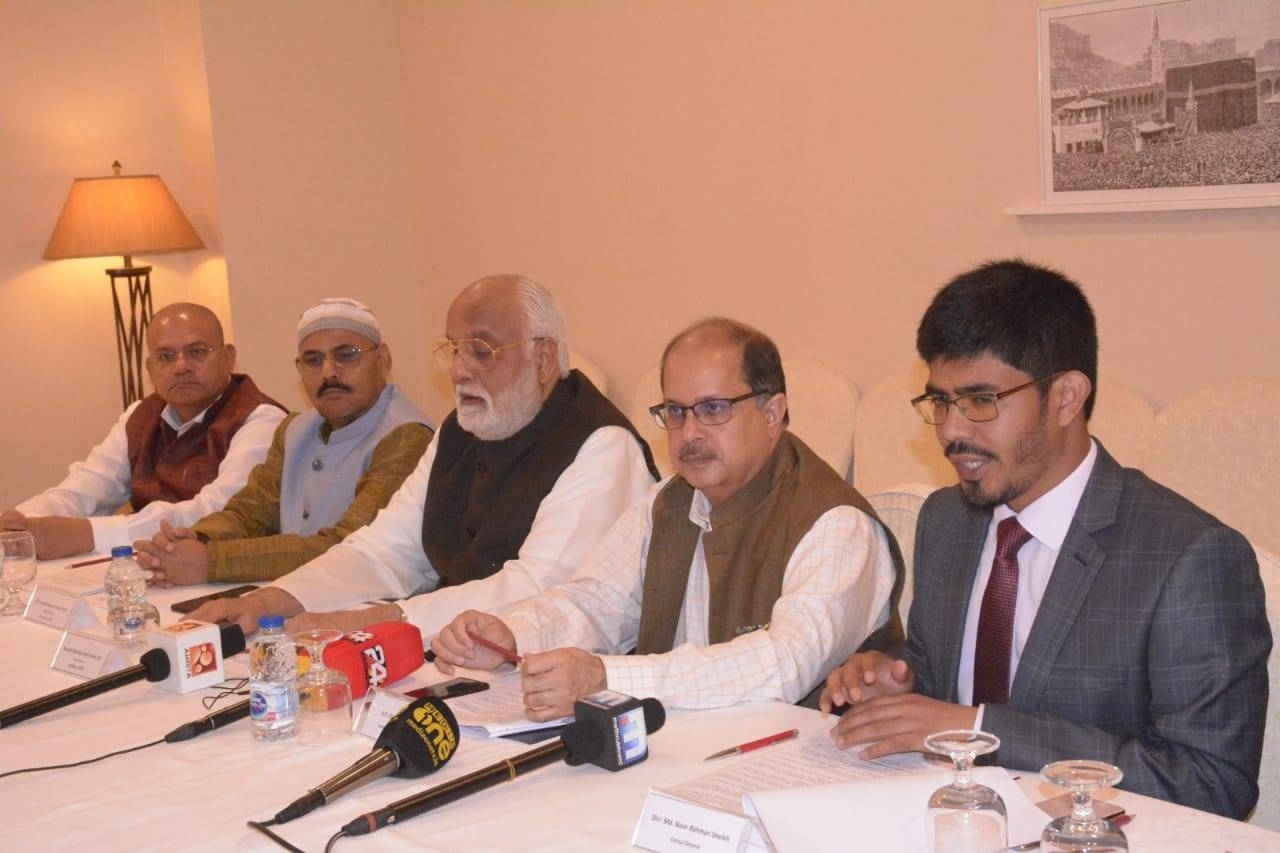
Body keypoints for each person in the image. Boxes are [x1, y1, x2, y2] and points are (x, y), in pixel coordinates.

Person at [820, 259, 1269, 820]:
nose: (954, 431)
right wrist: (892, 687)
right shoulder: (947, 520)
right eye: (940, 402)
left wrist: (981, 729)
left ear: (1066, 397)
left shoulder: (1188, 556)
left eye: (981, 401)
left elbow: (1213, 783)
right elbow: (936, 685)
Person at [431, 318, 903, 717]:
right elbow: (594, 604)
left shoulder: (835, 524)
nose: (689, 433)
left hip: (792, 775)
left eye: (713, 409)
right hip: (681, 753)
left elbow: (782, 665)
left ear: (772, 412)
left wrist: (605, 675)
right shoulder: (668, 502)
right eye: (675, 411)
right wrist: (511, 632)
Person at [191, 274, 658, 637]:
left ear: (542, 359)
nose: (458, 370)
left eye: (481, 350)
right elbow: (384, 551)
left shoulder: (602, 446)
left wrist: (388, 619)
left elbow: (536, 590)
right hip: (457, 650)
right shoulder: (460, 430)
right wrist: (273, 600)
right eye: (454, 349)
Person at [133, 298, 432, 586]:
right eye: (313, 360)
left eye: (346, 354)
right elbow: (249, 512)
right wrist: (191, 541)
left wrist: (210, 561)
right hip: (297, 595)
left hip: (375, 607)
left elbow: (348, 545)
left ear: (382, 360)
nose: (328, 372)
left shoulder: (407, 435)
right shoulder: (295, 430)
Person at [1, 303, 286, 559]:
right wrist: (21, 524)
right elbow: (83, 489)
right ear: (150, 368)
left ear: (228, 357)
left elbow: (218, 511)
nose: (181, 366)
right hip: (153, 566)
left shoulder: (261, 418)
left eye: (196, 352)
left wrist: (87, 534)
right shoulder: (141, 416)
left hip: (224, 575)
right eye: (166, 356)